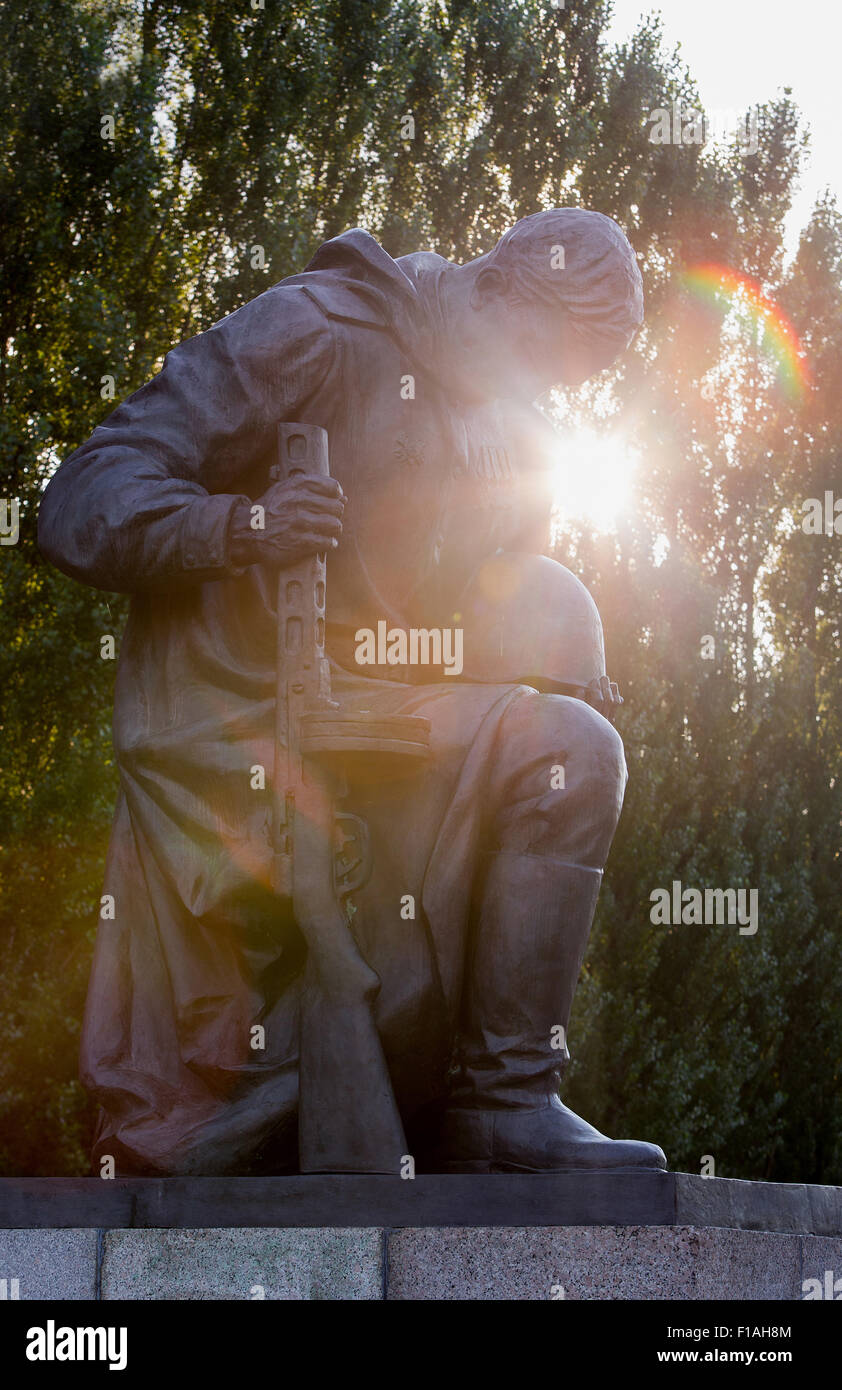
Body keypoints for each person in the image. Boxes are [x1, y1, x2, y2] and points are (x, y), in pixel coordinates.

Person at [38, 208, 666, 1175]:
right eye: (536, 362)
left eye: (556, 381)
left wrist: (561, 644)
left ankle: (502, 1103)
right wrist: (245, 525)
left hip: (387, 714)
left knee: (571, 748)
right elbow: (84, 498)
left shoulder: (516, 427)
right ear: (496, 288)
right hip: (248, 721)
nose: (534, 393)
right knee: (565, 749)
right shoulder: (318, 328)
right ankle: (484, 1100)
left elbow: (492, 596)